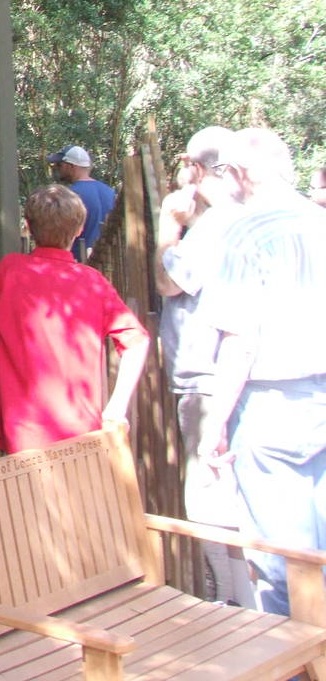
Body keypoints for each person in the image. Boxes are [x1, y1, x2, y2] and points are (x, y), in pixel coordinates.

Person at [196, 127, 326, 616]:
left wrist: (214, 425)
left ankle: (298, 651)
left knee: (282, 563)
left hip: (271, 406)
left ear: (240, 173)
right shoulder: (320, 221)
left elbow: (240, 339)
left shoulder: (245, 232)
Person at [155, 126, 254, 605]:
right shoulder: (246, 219)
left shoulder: (213, 227)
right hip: (243, 380)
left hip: (207, 381)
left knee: (209, 498)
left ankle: (231, 604)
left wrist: (166, 228)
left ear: (195, 168)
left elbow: (168, 282)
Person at [0, 184, 151, 454]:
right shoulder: (93, 282)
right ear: (80, 229)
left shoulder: (10, 270)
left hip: (23, 428)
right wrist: (117, 406)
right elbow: (137, 342)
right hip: (81, 428)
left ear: (28, 226)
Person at [47, 144, 116, 260]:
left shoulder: (69, 195)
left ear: (71, 166)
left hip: (77, 262)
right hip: (107, 261)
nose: (57, 169)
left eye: (59, 165)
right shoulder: (110, 192)